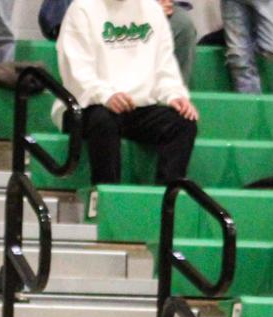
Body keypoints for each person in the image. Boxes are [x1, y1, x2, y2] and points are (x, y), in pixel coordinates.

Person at [55, 0, 199, 187]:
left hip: (135, 106)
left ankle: (165, 202)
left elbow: (164, 66)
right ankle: (106, 196)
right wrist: (105, 95)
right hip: (85, 105)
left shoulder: (152, 10)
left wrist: (174, 95)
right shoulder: (82, 8)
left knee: (183, 122)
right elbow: (77, 70)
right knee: (103, 120)